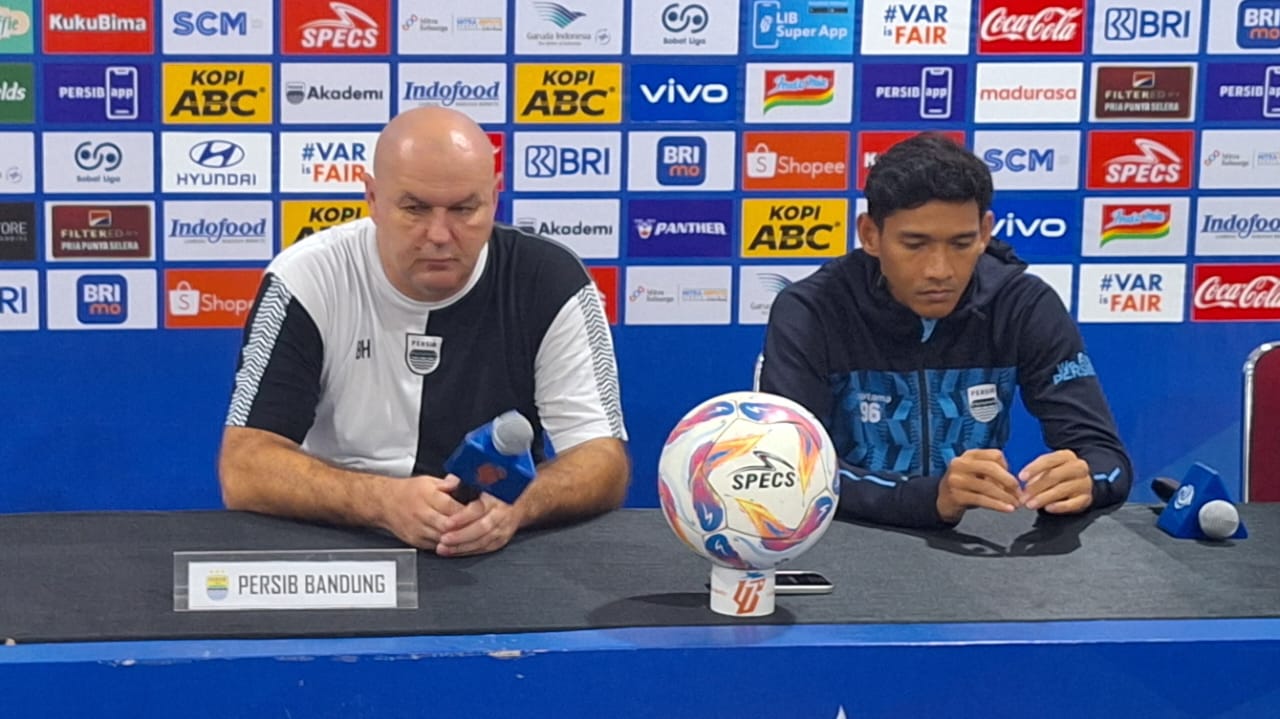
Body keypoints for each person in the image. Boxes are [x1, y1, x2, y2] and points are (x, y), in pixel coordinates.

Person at [219, 107, 630, 555]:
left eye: (464, 209)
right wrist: (380, 501)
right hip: (344, 544)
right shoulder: (305, 278)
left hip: (495, 551)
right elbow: (244, 467)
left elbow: (603, 459)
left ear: (494, 198)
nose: (439, 234)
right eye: (414, 208)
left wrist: (519, 504)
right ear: (372, 198)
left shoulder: (552, 281)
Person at [759, 132, 1133, 529]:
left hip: (972, 549)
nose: (939, 270)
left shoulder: (1022, 305)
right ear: (870, 234)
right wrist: (928, 498)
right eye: (914, 244)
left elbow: (1106, 458)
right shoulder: (812, 310)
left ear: (985, 232)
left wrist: (1088, 480)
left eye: (961, 243)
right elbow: (790, 468)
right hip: (845, 538)